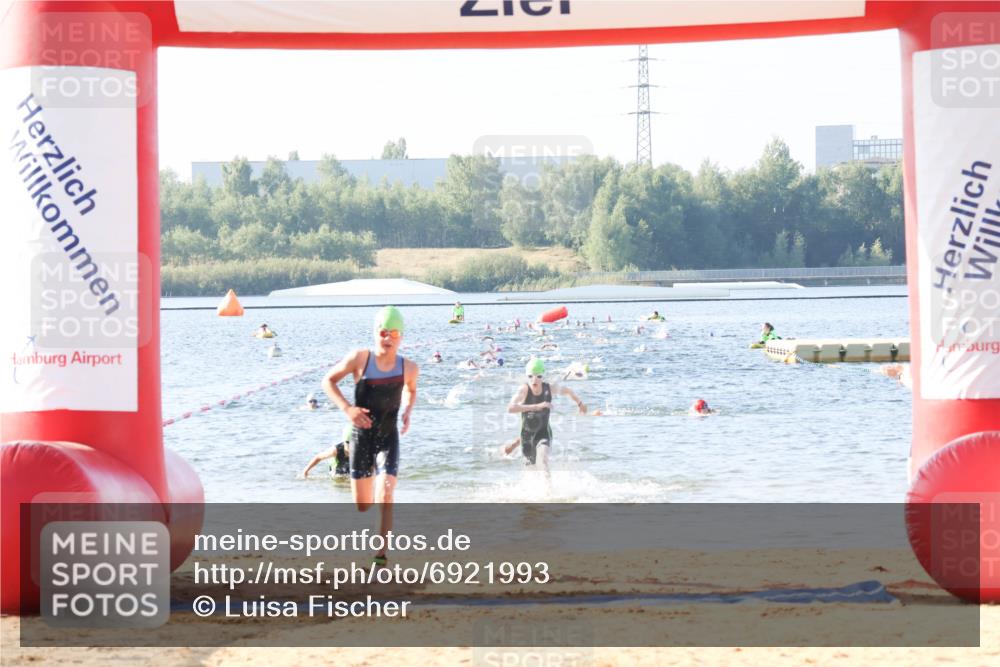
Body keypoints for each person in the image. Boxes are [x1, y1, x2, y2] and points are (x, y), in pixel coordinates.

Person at [322, 306, 419, 567]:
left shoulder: (409, 367)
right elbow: (328, 381)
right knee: (363, 505)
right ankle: (373, 496)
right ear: (376, 333)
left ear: (401, 337)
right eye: (383, 332)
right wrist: (347, 409)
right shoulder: (359, 359)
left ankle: (379, 557)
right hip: (361, 439)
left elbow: (410, 390)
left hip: (388, 437)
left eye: (394, 333)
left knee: (386, 491)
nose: (388, 338)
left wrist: (408, 409)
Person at [507, 358, 586, 472]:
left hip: (543, 433)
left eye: (538, 376)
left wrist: (580, 404)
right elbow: (510, 408)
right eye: (530, 376)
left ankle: (548, 490)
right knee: (531, 472)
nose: (534, 380)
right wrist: (537, 406)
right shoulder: (524, 390)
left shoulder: (549, 388)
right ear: (527, 376)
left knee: (543, 460)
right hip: (526, 436)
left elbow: (568, 391)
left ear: (542, 375)